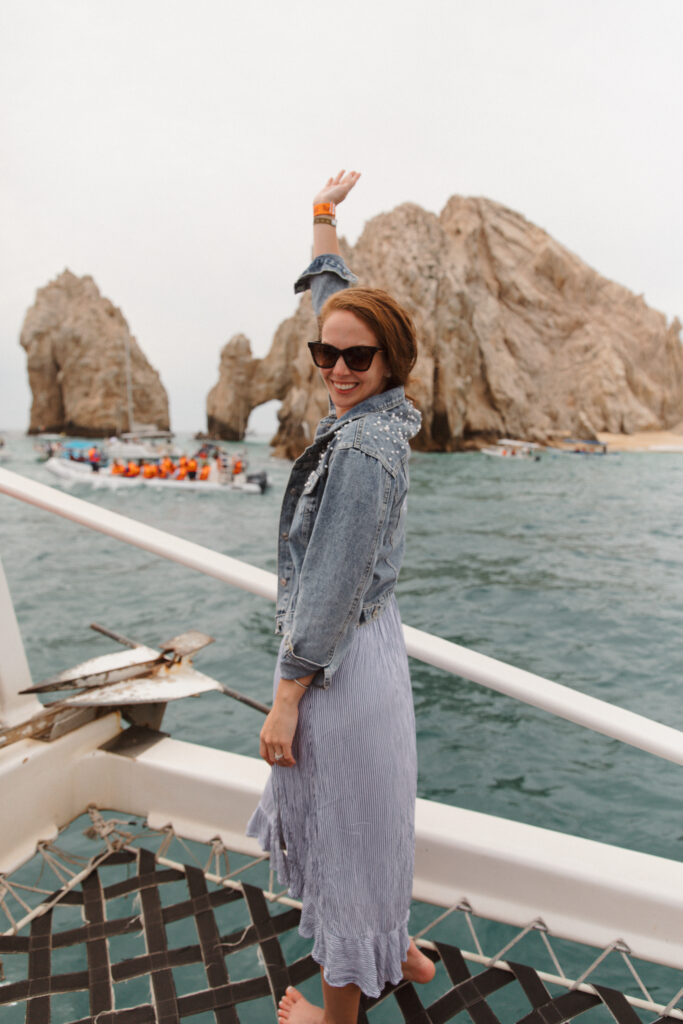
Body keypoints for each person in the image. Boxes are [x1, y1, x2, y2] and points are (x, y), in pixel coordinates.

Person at [247, 171, 435, 1024]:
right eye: (324, 354)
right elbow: (336, 295)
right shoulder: (373, 411)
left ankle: (336, 1016)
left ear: (391, 361)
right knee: (368, 817)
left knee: (344, 836)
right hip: (370, 648)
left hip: (339, 664)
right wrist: (323, 222)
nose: (335, 369)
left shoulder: (363, 453)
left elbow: (324, 592)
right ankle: (392, 944)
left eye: (356, 358)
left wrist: (285, 702)